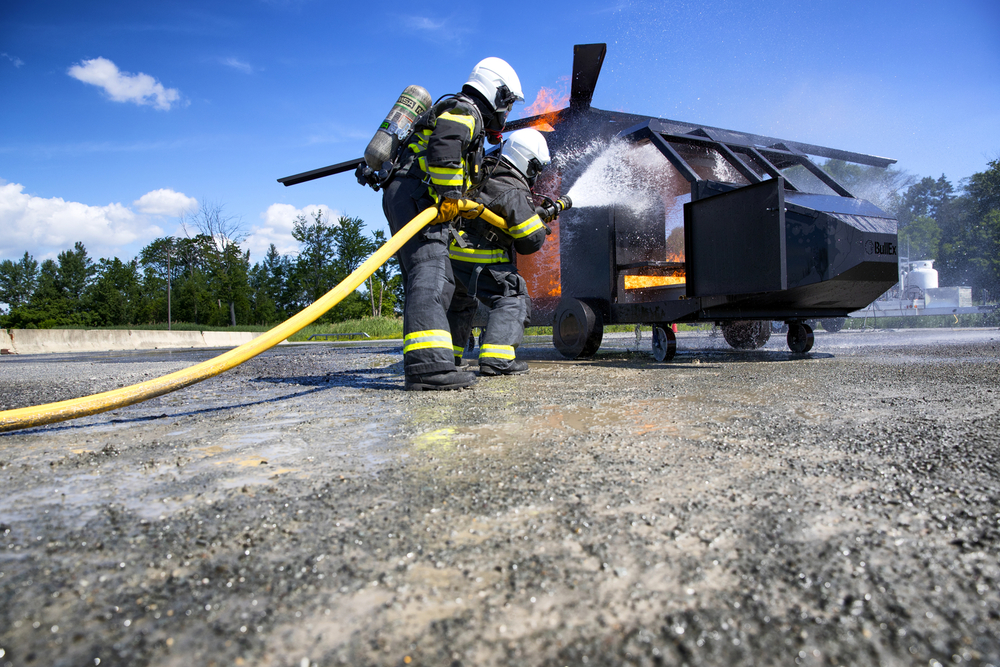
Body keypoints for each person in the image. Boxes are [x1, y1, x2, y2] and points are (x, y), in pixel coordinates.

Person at [381, 58, 524, 391]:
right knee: (431, 273)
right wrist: (448, 194)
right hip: (417, 195)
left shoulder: (461, 109)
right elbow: (445, 144)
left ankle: (435, 363)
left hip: (409, 195)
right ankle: (427, 369)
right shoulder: (466, 110)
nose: (506, 112)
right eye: (508, 103)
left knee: (435, 276)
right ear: (497, 92)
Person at [447, 128, 552, 376]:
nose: (536, 175)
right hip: (481, 256)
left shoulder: (482, 171)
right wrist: (537, 223)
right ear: (528, 162)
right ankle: (497, 359)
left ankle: (449, 357)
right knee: (512, 296)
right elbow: (531, 242)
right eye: (536, 168)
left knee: (460, 303)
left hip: (453, 254)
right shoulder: (513, 186)